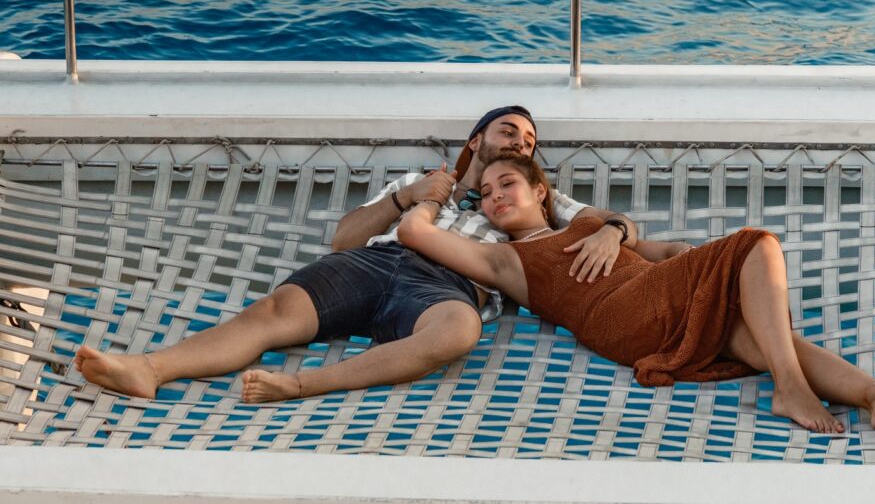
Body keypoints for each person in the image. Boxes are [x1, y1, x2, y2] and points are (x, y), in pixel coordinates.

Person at [74, 106, 639, 401]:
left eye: (528, 142)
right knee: (271, 316)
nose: (520, 143)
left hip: (449, 285)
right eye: (510, 131)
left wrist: (613, 232)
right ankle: (148, 369)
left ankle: (305, 384)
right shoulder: (424, 180)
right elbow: (345, 238)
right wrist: (406, 197)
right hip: (374, 261)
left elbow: (611, 223)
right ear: (476, 140)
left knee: (458, 333)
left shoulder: (527, 190)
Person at [397, 152, 875, 434]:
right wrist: (432, 195)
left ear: (540, 190)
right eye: (486, 194)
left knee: (760, 339)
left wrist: (619, 232)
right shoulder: (506, 259)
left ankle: (871, 398)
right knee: (757, 243)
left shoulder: (587, 226)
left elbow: (667, 251)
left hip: (656, 297)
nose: (493, 198)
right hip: (620, 317)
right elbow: (415, 234)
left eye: (505, 184)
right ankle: (790, 390)